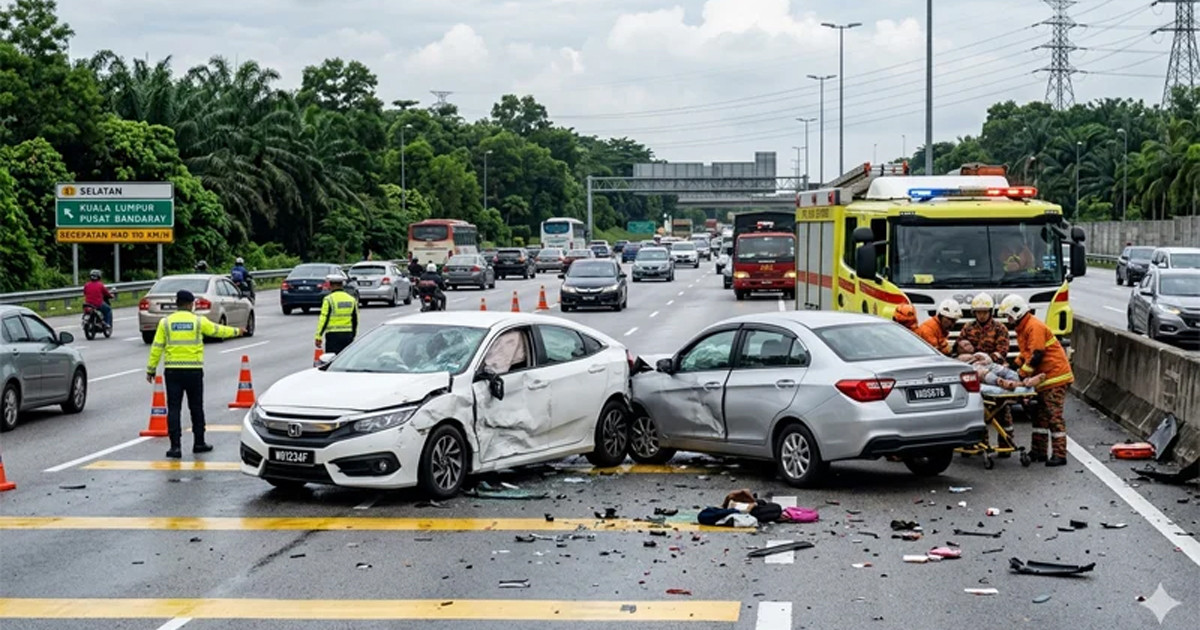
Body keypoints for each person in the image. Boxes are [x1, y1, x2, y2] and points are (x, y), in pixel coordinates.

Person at [145, 290, 244, 458]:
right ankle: (199, 443)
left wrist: (151, 369)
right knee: (196, 408)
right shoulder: (198, 321)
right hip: (193, 372)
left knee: (174, 408)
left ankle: (175, 447)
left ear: (177, 303)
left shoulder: (166, 322)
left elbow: (157, 347)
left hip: (173, 372)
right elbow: (217, 330)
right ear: (191, 304)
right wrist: (237, 331)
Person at [998, 294, 1074, 467]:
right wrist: (1013, 368)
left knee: (1054, 417)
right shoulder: (1024, 328)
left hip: (1055, 377)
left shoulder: (1033, 327)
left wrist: (1021, 376)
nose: (1008, 320)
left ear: (1016, 313)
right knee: (1039, 416)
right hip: (1045, 378)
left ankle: (1060, 454)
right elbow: (1026, 354)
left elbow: (1036, 356)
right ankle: (1039, 451)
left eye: (1009, 316)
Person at [960, 293, 1014, 430]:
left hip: (994, 367)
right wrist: (970, 358)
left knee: (1003, 411)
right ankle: (979, 446)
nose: (982, 315)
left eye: (984, 312)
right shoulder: (968, 328)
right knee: (978, 411)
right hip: (974, 370)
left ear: (990, 312)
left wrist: (990, 358)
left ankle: (1005, 445)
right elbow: (960, 346)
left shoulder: (999, 328)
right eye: (979, 312)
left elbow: (1003, 350)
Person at [315, 275, 359, 355]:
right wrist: (353, 334)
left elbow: (324, 319)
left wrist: (319, 336)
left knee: (331, 360)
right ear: (342, 284)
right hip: (347, 335)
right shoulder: (351, 299)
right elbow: (355, 319)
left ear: (330, 285)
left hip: (333, 335)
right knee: (346, 358)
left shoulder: (328, 299)